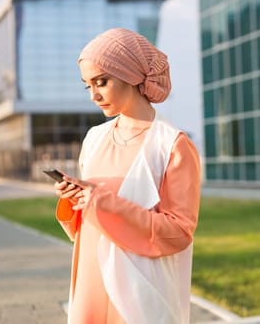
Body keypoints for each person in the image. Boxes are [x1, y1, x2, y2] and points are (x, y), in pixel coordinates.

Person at [52, 28, 201, 324]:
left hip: (140, 286)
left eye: (101, 82)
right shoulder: (94, 138)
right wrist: (75, 199)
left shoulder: (172, 144)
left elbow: (179, 232)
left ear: (131, 75)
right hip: (91, 275)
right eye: (87, 86)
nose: (94, 95)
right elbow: (90, 220)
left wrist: (102, 202)